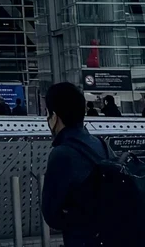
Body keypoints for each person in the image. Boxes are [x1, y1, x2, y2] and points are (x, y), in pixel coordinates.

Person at [39, 81, 113, 246]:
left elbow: (51, 215)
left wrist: (75, 215)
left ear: (54, 117)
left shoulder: (62, 154)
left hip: (82, 239)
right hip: (108, 236)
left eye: (48, 113)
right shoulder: (101, 144)